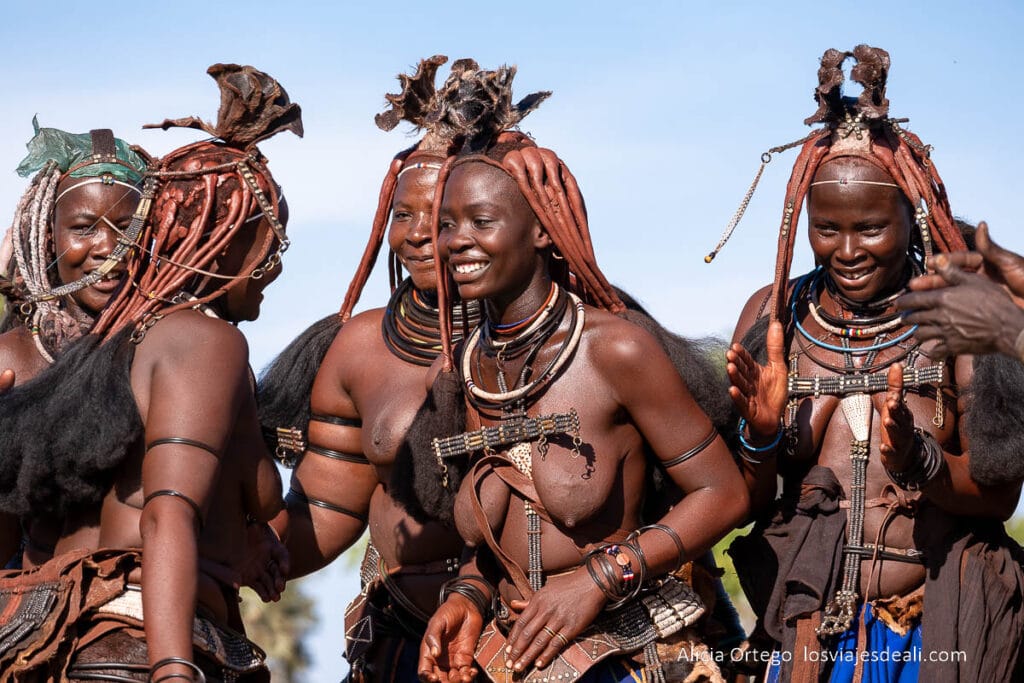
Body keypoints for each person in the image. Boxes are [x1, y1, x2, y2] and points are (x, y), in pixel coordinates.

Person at [415, 65, 748, 683]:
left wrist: (599, 579)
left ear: (542, 229)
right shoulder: (465, 366)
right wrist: (467, 594)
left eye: (481, 223)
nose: (455, 242)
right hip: (515, 654)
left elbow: (723, 494)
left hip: (634, 652)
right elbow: (491, 537)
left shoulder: (615, 350)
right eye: (446, 225)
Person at [723, 45, 1024, 681]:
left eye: (870, 229)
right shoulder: (776, 314)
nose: (848, 250)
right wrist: (760, 436)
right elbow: (745, 499)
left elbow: (998, 495)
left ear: (910, 222)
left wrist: (924, 465)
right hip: (807, 631)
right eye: (827, 228)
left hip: (940, 623)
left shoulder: (963, 315)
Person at [0, 63, 302, 682]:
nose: (274, 261)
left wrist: (244, 525)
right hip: (132, 639)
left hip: (54, 641)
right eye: (265, 237)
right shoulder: (193, 344)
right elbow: (167, 513)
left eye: (127, 229)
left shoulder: (146, 345)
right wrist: (171, 667)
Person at [258, 55, 484, 682]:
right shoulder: (360, 348)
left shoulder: (585, 335)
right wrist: (233, 533)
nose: (417, 236)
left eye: (440, 216)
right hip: (403, 644)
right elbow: (326, 516)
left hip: (551, 638)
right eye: (402, 214)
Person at [0, 122, 147, 567]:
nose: (109, 248)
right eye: (84, 228)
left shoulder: (171, 352)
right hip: (29, 598)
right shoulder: (13, 358)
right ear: (50, 237)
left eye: (127, 229)